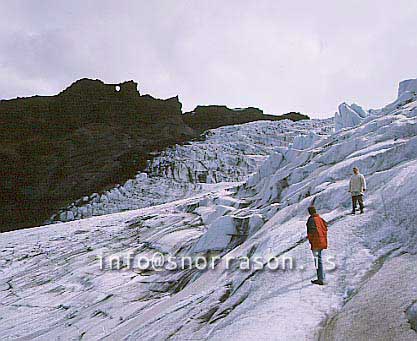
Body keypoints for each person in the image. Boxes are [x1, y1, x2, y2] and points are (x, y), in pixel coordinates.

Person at [306, 206, 328, 285]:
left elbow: (311, 232)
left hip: (316, 242)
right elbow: (325, 227)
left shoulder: (311, 220)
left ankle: (320, 279)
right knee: (319, 259)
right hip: (322, 241)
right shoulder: (320, 219)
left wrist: (311, 241)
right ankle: (322, 276)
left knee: (318, 260)